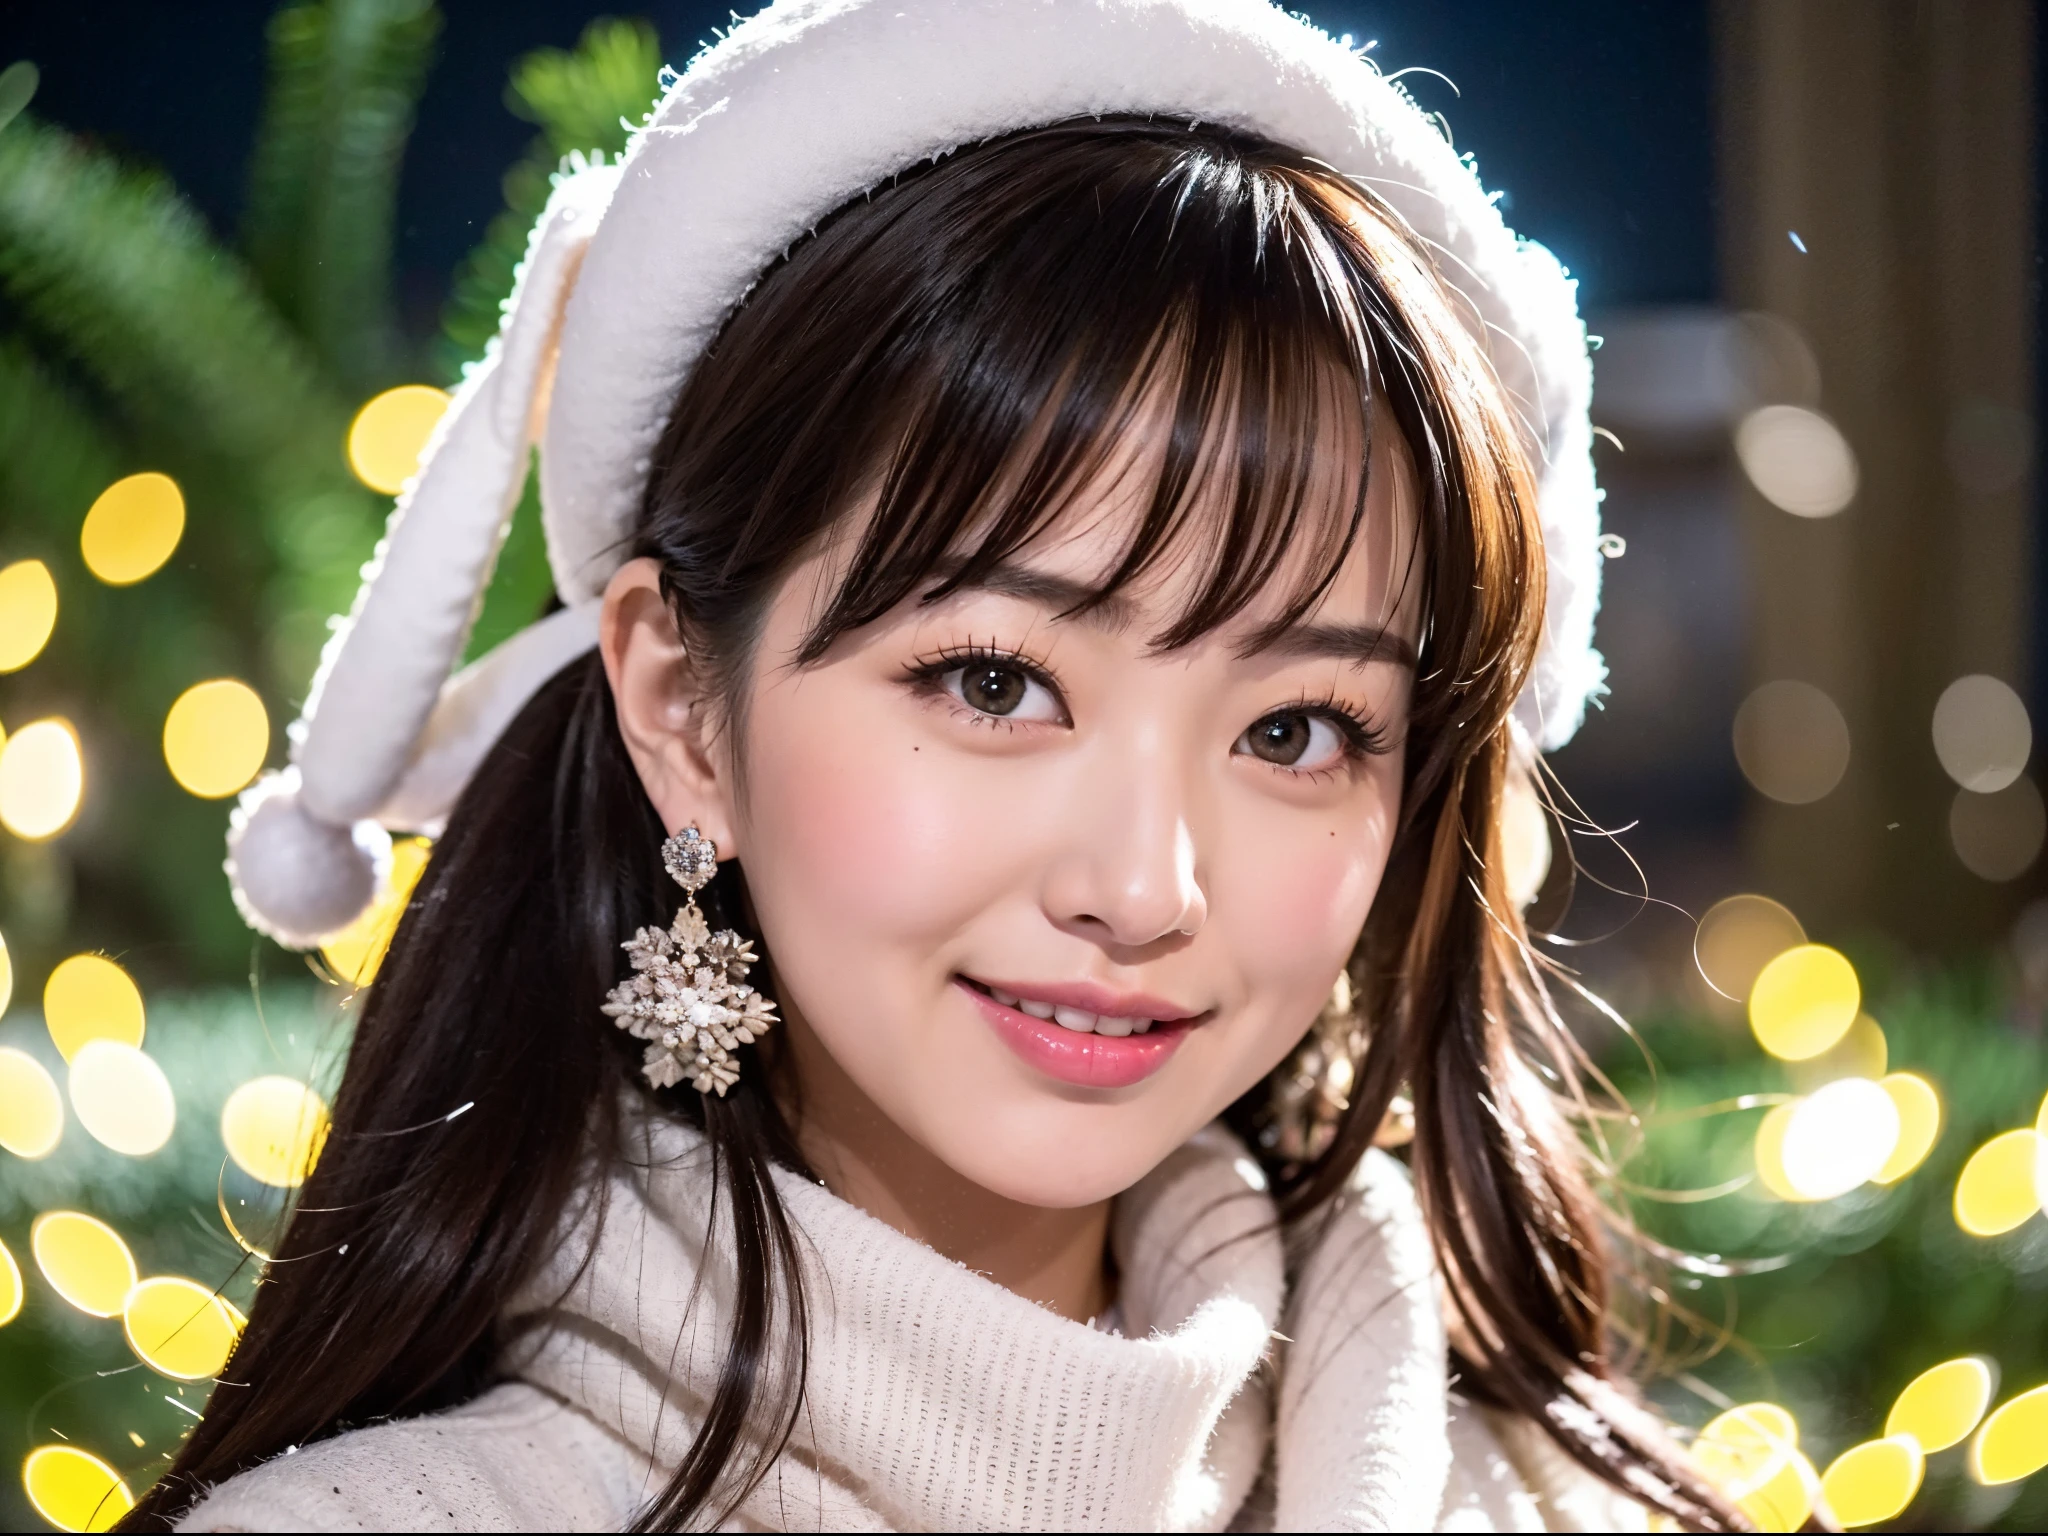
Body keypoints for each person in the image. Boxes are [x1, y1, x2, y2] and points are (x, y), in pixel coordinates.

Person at [127, 0, 1738, 1529]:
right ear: (684, 709)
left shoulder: (1549, 1497)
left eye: (1296, 730)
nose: (1140, 887)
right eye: (995, 681)